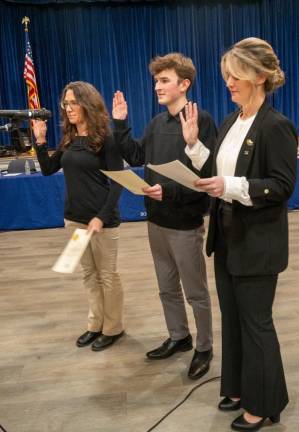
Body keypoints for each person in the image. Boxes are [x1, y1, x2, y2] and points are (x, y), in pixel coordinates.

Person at [181, 38, 297, 430]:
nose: (228, 81)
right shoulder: (233, 121)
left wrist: (228, 187)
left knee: (256, 323)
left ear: (260, 77)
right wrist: (195, 146)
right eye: (227, 74)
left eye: (236, 75)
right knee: (232, 318)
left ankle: (265, 404)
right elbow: (217, 166)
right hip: (228, 237)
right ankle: (239, 388)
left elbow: (281, 186)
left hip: (258, 242)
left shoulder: (276, 126)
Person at [112, 53, 218, 379]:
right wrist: (120, 124)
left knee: (195, 291)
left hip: (185, 224)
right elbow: (135, 154)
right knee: (166, 288)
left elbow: (208, 177)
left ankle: (204, 346)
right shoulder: (156, 124)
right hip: (156, 221)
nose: (157, 86)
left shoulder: (203, 121)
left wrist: (169, 192)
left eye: (164, 80)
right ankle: (179, 337)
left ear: (184, 84)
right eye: (156, 80)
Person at [32, 81, 125, 352]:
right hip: (74, 219)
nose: (68, 108)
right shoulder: (69, 139)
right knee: (89, 275)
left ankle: (113, 328)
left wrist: (101, 216)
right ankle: (95, 325)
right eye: (66, 103)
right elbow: (49, 169)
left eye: (73, 103)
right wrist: (40, 141)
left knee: (108, 276)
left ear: (87, 104)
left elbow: (118, 182)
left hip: (102, 221)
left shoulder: (106, 140)